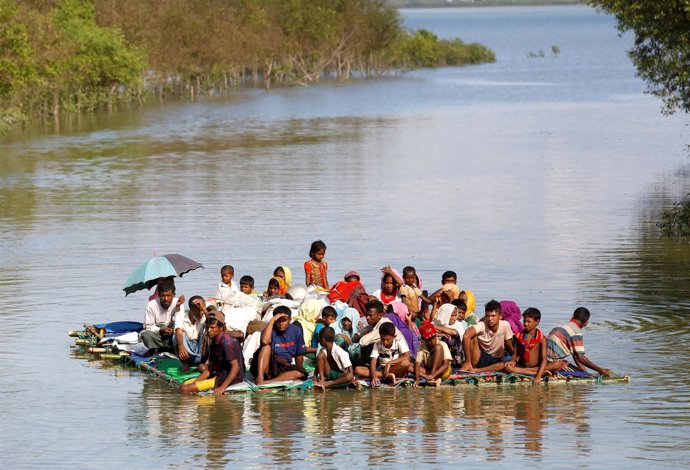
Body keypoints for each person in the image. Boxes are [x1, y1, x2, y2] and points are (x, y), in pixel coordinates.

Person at [180, 311, 245, 395]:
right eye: (207, 327)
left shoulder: (226, 343)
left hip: (229, 378)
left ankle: (200, 405)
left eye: (212, 327)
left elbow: (235, 367)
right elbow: (210, 368)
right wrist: (196, 381)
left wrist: (222, 388)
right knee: (183, 385)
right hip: (219, 375)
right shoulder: (214, 341)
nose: (208, 330)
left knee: (185, 389)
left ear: (221, 328)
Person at [505, 307, 566, 384]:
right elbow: (515, 354)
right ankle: (533, 373)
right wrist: (512, 361)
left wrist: (538, 376)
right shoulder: (518, 336)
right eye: (524, 321)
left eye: (528, 321)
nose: (525, 324)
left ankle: (531, 372)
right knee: (508, 367)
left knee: (557, 364)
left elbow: (544, 359)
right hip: (523, 366)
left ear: (537, 322)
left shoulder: (542, 339)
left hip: (536, 367)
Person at [251, 305, 309, 385]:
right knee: (266, 347)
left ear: (290, 320)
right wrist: (272, 320)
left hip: (282, 367)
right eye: (278, 320)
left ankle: (267, 382)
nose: (281, 324)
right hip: (266, 366)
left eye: (284, 320)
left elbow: (299, 355)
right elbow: (264, 341)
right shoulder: (270, 329)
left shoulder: (296, 330)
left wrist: (300, 368)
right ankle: (260, 378)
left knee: (300, 373)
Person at [546, 307, 612, 377]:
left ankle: (585, 374)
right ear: (586, 323)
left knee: (584, 374)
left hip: (544, 361)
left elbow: (576, 355)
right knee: (584, 376)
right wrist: (600, 370)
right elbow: (580, 357)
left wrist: (586, 373)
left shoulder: (560, 328)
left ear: (572, 317)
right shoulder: (576, 332)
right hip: (554, 364)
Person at [461, 299, 515, 372]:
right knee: (472, 335)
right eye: (487, 316)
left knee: (505, 364)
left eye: (493, 316)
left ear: (500, 316)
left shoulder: (505, 325)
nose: (490, 319)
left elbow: (508, 345)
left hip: (497, 359)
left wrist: (515, 359)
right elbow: (466, 336)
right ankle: (471, 365)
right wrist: (467, 361)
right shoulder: (482, 325)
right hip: (482, 357)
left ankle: (478, 370)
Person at [141, 280, 185, 352]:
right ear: (159, 295)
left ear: (174, 295)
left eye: (168, 296)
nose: (166, 299)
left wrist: (177, 308)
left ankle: (172, 348)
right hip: (158, 335)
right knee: (146, 335)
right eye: (163, 296)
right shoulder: (152, 304)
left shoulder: (178, 303)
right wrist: (161, 330)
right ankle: (154, 349)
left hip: (173, 335)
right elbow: (147, 326)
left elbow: (179, 324)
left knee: (181, 333)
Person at [413, 321, 452, 387]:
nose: (432, 341)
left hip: (443, 371)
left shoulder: (442, 344)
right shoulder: (422, 346)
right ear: (424, 339)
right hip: (429, 371)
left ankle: (433, 377)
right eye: (429, 339)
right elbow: (417, 363)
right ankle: (430, 378)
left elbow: (446, 365)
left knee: (438, 347)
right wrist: (417, 379)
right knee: (410, 366)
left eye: (433, 337)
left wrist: (433, 375)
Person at [173, 295, 207, 368]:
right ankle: (186, 363)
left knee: (208, 330)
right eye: (199, 310)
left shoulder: (206, 316)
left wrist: (203, 309)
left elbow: (213, 323)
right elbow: (178, 330)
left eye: (202, 310)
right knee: (176, 336)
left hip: (201, 349)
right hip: (187, 350)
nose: (202, 313)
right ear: (191, 310)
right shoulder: (182, 316)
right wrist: (181, 346)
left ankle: (205, 363)